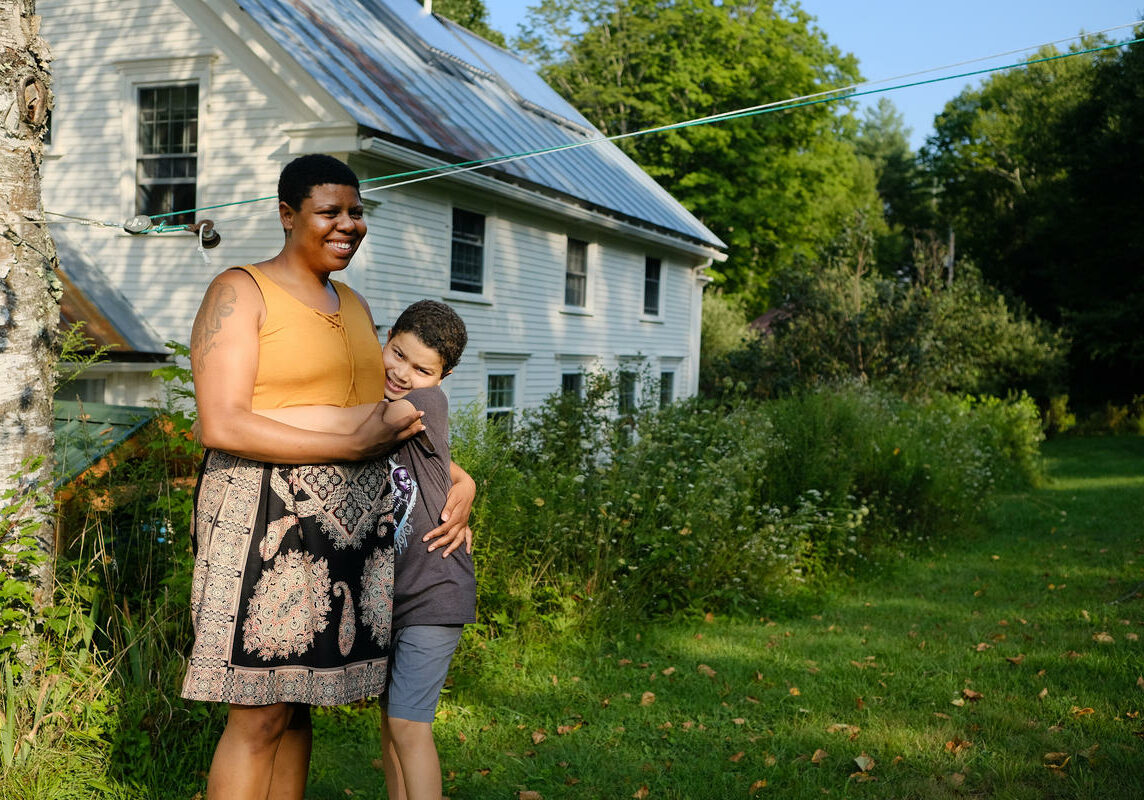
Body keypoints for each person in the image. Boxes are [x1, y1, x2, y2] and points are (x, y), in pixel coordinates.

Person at [182, 154, 475, 800]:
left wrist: (461, 478)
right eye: (330, 212)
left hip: (341, 537)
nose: (348, 224)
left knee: (297, 706)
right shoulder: (241, 291)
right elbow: (222, 423)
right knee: (257, 714)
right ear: (288, 215)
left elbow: (385, 418)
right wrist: (345, 446)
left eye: (357, 211)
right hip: (263, 521)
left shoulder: (357, 308)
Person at [260, 300, 473, 800]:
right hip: (390, 596)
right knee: (392, 723)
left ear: (442, 379)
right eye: (397, 354)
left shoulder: (425, 404)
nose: (402, 373)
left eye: (423, 369)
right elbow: (442, 469)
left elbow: (381, 417)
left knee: (408, 725)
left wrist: (262, 413)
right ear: (386, 338)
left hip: (434, 591)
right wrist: (467, 480)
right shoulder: (388, 402)